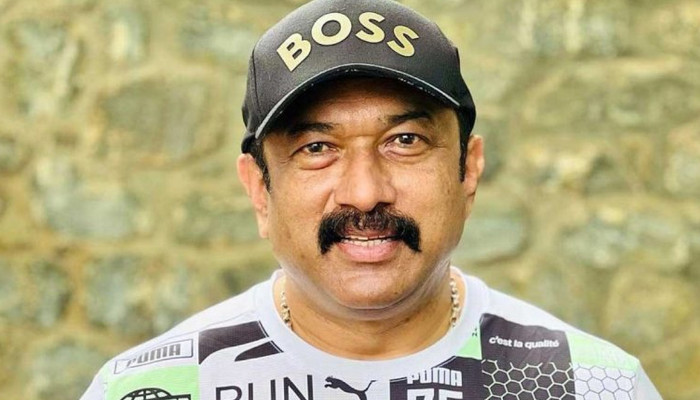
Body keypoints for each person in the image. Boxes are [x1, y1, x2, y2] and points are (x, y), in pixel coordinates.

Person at [80, 0, 662, 399]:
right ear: (259, 189)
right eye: (316, 148)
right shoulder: (157, 386)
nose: (364, 193)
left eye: (404, 141)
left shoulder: (588, 384)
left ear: (468, 170)